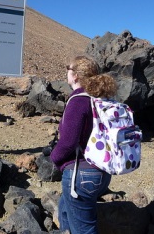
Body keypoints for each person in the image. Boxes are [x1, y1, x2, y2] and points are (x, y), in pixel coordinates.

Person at [50, 55, 117, 234]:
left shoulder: (79, 101)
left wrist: (54, 158)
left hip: (81, 175)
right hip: (101, 171)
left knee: (84, 230)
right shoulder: (99, 99)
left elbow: (68, 142)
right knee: (65, 209)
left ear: (76, 76)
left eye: (68, 68)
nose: (66, 72)